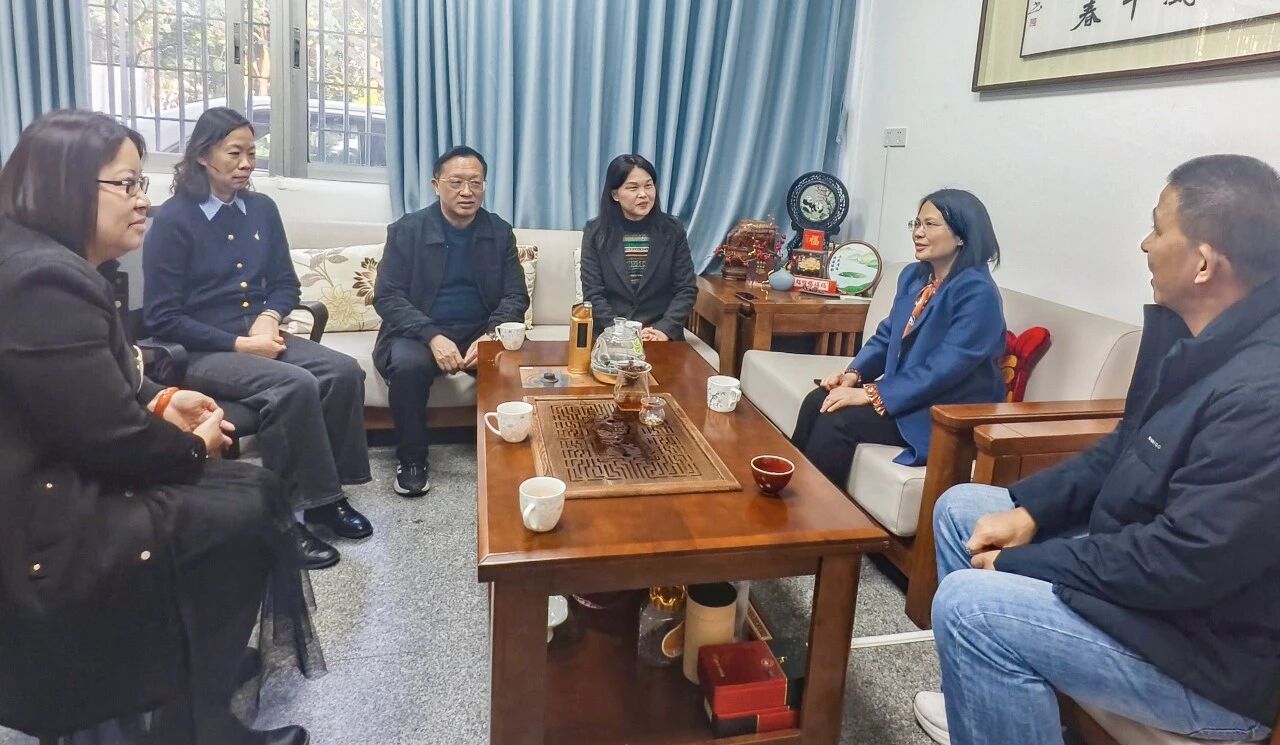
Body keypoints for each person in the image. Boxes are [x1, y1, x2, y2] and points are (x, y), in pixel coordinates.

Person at [914, 155, 1280, 745]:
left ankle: (993, 673)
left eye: (1158, 228)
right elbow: (1124, 450)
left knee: (970, 606)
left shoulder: (1262, 393)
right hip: (1151, 593)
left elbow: (1181, 564)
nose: (1145, 244)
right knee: (963, 509)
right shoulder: (1195, 337)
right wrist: (1032, 513)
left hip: (1204, 660)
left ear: (1204, 263)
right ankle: (986, 707)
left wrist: (1023, 564)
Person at [0, 109, 319, 745]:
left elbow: (92, 383)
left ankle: (198, 664)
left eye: (141, 183)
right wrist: (192, 448)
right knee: (246, 509)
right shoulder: (44, 281)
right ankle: (197, 720)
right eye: (127, 185)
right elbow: (110, 437)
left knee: (252, 489)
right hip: (42, 514)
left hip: (62, 469)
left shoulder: (52, 262)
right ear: (65, 186)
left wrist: (163, 397)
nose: (143, 200)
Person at [143, 107, 373, 570]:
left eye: (252, 152)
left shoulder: (262, 209)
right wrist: (240, 346)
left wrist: (269, 317)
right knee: (293, 384)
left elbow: (285, 282)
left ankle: (324, 501)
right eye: (235, 153)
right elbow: (162, 317)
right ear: (203, 155)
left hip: (259, 334)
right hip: (203, 349)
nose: (247, 163)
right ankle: (281, 521)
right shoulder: (173, 220)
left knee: (344, 371)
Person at [791, 189, 1006, 485]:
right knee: (818, 400)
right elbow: (887, 335)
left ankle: (817, 510)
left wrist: (870, 394)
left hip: (946, 409)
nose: (918, 233)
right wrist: (853, 375)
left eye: (930, 225)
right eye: (916, 224)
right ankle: (789, 495)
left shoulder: (978, 293)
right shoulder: (914, 277)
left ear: (961, 236)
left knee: (837, 419)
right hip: (911, 395)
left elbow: (944, 369)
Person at [373, 146, 528, 497]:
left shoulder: (499, 231)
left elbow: (515, 295)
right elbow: (388, 296)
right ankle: (412, 460)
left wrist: (491, 334)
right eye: (456, 182)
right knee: (408, 367)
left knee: (514, 362)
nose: (466, 191)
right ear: (436, 185)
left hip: (479, 328)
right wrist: (432, 335)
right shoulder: (408, 230)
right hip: (419, 330)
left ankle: (515, 456)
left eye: (475, 182)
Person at [579, 154, 697, 342]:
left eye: (648, 186)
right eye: (633, 188)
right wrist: (620, 332)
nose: (643, 194)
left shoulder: (672, 230)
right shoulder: (596, 232)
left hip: (659, 335)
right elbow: (593, 293)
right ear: (615, 194)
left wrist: (664, 329)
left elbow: (686, 288)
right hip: (610, 334)